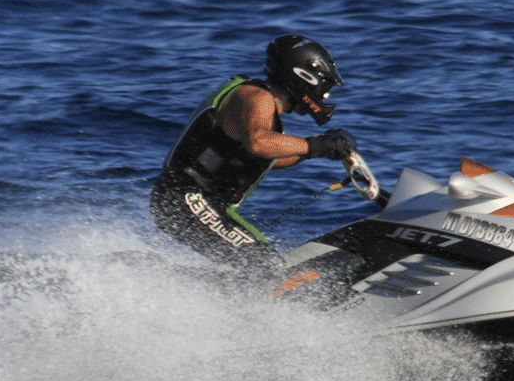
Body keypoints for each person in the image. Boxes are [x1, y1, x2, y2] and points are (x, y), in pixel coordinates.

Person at [150, 34, 359, 273]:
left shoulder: (261, 104)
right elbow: (260, 144)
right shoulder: (257, 97)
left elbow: (268, 157)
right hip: (185, 199)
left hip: (187, 200)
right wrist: (318, 145)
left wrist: (319, 152)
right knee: (264, 267)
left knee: (259, 265)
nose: (324, 97)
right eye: (325, 88)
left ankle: (175, 286)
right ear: (304, 79)